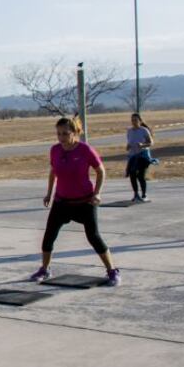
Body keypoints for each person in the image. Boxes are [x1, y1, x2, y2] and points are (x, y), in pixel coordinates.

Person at [30, 117, 121, 287]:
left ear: (75, 133)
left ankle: (112, 271)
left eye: (65, 133)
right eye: (58, 134)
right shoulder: (55, 150)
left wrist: (97, 193)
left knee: (93, 237)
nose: (61, 137)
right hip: (61, 202)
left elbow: (101, 171)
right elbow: (53, 173)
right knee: (48, 237)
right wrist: (49, 194)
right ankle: (45, 269)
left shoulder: (85, 150)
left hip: (84, 202)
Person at [125, 112, 155, 202]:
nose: (133, 122)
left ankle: (144, 195)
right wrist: (128, 147)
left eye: (135, 120)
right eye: (132, 120)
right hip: (132, 156)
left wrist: (142, 145)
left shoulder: (144, 130)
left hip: (143, 155)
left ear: (140, 121)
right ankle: (136, 194)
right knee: (132, 174)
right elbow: (129, 143)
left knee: (140, 176)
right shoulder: (129, 131)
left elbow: (151, 143)